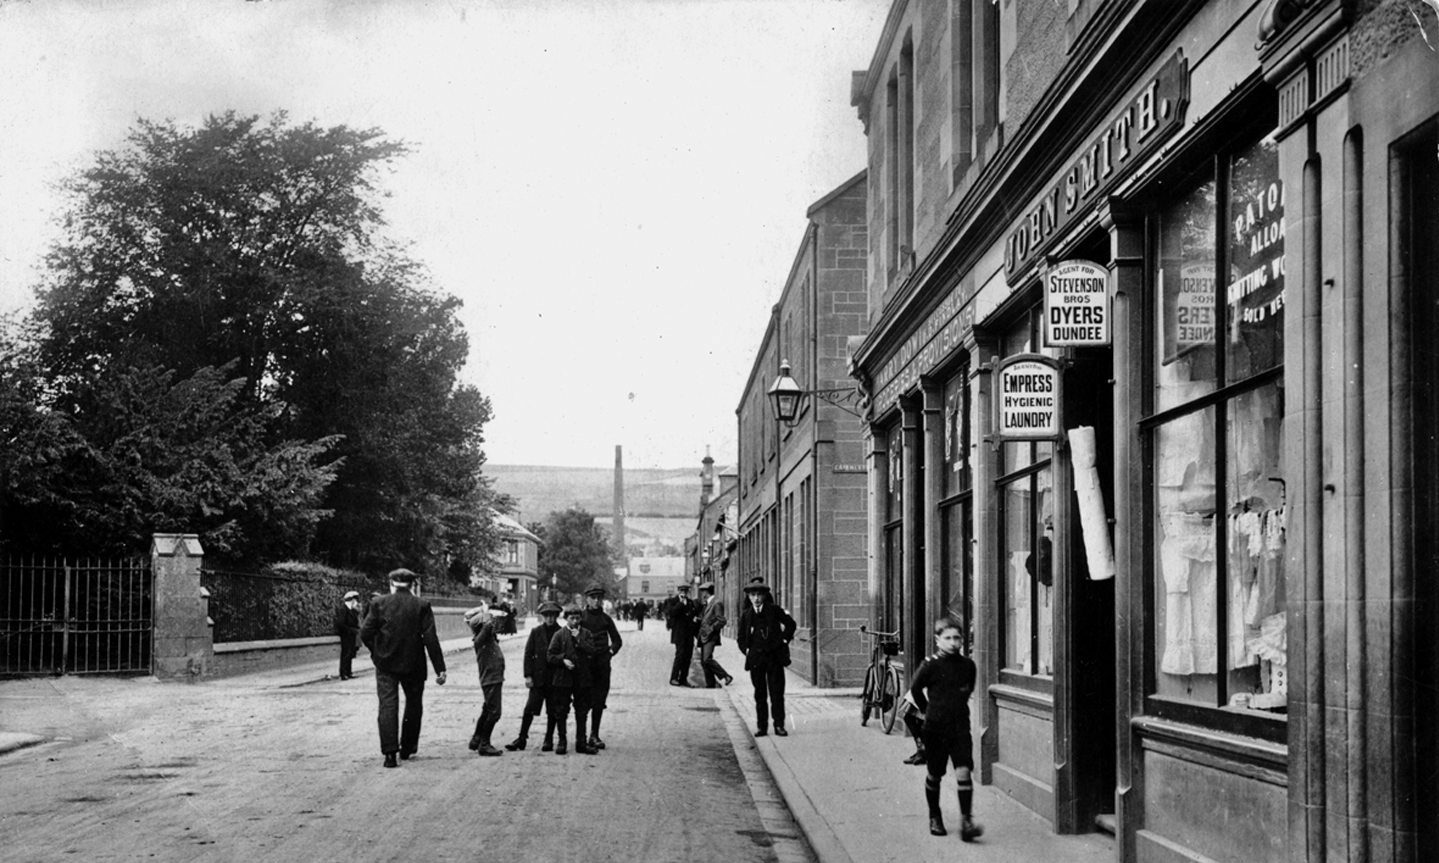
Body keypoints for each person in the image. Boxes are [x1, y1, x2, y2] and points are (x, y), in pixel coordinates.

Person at [359, 568, 447, 768]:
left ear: (391, 583)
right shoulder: (422, 605)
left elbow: (365, 633)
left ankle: (390, 754)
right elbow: (430, 638)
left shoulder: (378, 603)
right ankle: (407, 748)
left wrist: (376, 652)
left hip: (386, 663)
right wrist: (440, 668)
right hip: (414, 663)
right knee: (414, 704)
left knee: (388, 705)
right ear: (412, 584)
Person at [908, 616, 983, 841]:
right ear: (937, 640)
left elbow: (967, 690)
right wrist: (928, 711)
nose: (953, 642)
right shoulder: (930, 665)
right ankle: (934, 816)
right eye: (947, 638)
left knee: (963, 772)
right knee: (935, 773)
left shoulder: (968, 666)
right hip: (935, 729)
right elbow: (915, 689)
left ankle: (966, 821)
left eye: (957, 638)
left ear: (962, 640)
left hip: (960, 727)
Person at [736, 577, 795, 737]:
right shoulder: (746, 615)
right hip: (756, 660)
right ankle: (762, 727)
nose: (756, 598)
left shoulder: (774, 610)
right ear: (748, 597)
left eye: (759, 595)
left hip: (774, 658)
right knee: (760, 694)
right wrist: (746, 650)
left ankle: (779, 725)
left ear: (764, 596)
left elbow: (791, 624)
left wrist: (784, 640)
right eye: (753, 595)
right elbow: (740, 637)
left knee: (777, 693)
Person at [505, 600, 563, 751]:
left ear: (556, 616)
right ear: (543, 616)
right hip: (538, 678)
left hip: (554, 679)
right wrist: (528, 675)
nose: (550, 618)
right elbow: (528, 654)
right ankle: (522, 738)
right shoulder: (536, 632)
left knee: (552, 711)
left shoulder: (562, 633)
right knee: (529, 709)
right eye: (547, 615)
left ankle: (548, 739)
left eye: (553, 615)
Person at [576, 584, 623, 751]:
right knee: (583, 700)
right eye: (593, 598)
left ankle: (594, 734)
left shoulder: (606, 619)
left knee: (599, 700)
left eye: (599, 598)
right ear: (587, 599)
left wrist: (609, 653)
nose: (596, 601)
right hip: (585, 666)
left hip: (602, 666)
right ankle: (580, 736)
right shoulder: (580, 617)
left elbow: (617, 640)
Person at [464, 601, 506, 757]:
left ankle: (477, 738)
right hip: (491, 678)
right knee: (495, 712)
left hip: (492, 677)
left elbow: (489, 626)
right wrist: (486, 611)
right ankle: (485, 744)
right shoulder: (481, 639)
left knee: (487, 708)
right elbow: (488, 624)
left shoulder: (487, 639)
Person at [546, 606, 586, 755]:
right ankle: (562, 741)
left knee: (581, 710)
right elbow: (550, 656)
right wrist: (563, 660)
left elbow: (591, 651)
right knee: (561, 710)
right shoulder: (559, 635)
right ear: (566, 619)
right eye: (572, 618)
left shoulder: (585, 634)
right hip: (563, 678)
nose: (575, 621)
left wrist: (579, 639)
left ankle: (581, 742)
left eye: (577, 618)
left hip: (581, 678)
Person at [695, 582, 733, 688]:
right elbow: (708, 618)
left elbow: (722, 620)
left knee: (707, 659)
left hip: (711, 636)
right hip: (704, 635)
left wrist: (711, 629)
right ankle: (710, 684)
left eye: (703, 591)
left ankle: (726, 676)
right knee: (704, 661)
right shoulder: (707, 603)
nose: (702, 594)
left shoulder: (716, 603)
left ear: (707, 592)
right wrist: (699, 620)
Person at [666, 583, 700, 687]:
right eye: (682, 591)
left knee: (688, 656)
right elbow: (671, 613)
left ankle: (683, 679)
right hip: (679, 634)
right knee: (679, 655)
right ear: (678, 591)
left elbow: (693, 615)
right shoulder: (673, 601)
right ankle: (674, 678)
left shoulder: (690, 602)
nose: (684, 593)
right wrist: (681, 603)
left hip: (689, 634)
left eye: (685, 591)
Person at [333, 590, 361, 680]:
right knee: (345, 654)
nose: (356, 602)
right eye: (355, 600)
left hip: (351, 635)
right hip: (346, 635)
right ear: (351, 600)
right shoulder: (343, 609)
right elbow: (340, 623)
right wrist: (350, 630)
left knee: (350, 654)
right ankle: (343, 673)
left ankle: (349, 672)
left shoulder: (351, 610)